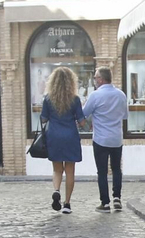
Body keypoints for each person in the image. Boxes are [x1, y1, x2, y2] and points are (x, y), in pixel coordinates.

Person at [83, 66, 129, 211]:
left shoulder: (95, 96)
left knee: (102, 171)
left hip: (101, 139)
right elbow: (125, 115)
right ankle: (117, 197)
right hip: (116, 139)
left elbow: (84, 113)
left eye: (96, 77)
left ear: (101, 79)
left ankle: (105, 202)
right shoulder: (121, 95)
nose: (95, 80)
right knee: (116, 169)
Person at [40, 67, 85, 214]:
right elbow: (82, 121)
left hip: (54, 135)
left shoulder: (48, 99)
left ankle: (56, 190)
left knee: (57, 169)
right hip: (70, 136)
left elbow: (43, 118)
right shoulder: (75, 99)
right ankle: (67, 204)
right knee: (70, 171)